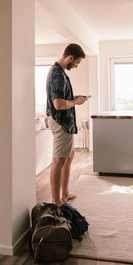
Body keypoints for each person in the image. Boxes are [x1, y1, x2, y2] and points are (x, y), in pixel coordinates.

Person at [46, 43, 88, 206]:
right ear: (70, 58)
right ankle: (57, 200)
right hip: (61, 122)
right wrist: (75, 102)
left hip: (64, 122)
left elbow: (62, 98)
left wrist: (74, 98)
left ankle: (64, 192)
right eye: (77, 62)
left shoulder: (58, 72)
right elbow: (58, 104)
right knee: (59, 161)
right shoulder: (57, 74)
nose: (76, 66)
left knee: (69, 156)